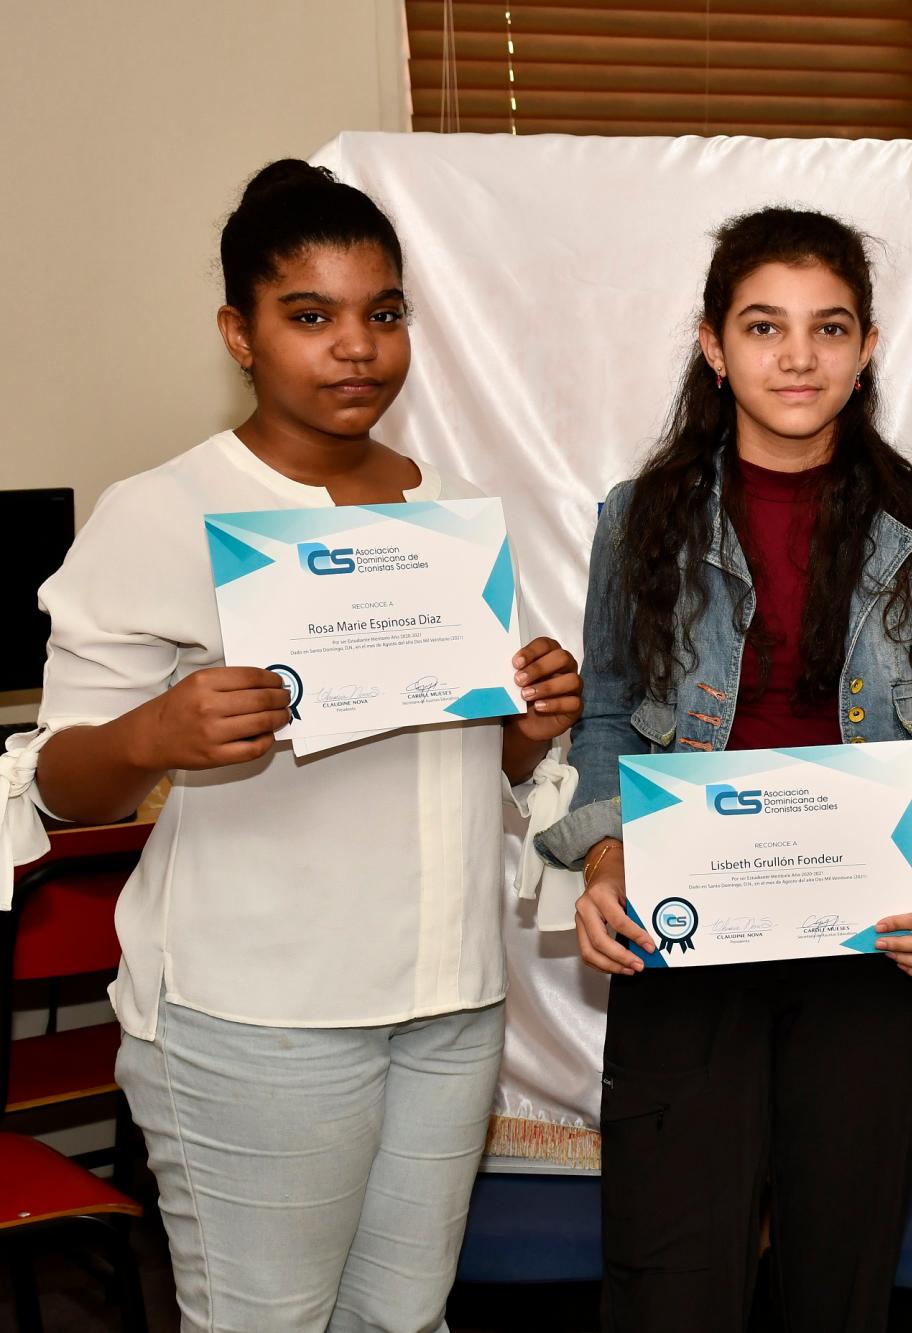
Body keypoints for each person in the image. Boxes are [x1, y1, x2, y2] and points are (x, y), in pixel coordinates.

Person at [0, 160, 582, 1332]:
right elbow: (59, 779)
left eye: (381, 314)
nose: (355, 347)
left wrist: (527, 729)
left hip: (448, 998)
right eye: (309, 316)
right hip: (254, 1013)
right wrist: (155, 732)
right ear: (239, 332)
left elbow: (475, 765)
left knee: (404, 1322)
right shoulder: (164, 511)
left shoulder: (452, 509)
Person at [536, 206, 912, 1332]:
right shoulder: (639, 515)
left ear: (866, 349)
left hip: (872, 943)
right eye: (764, 327)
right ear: (713, 345)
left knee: (837, 1278)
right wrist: (606, 860)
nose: (796, 357)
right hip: (686, 930)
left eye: (828, 328)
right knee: (671, 1281)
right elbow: (603, 709)